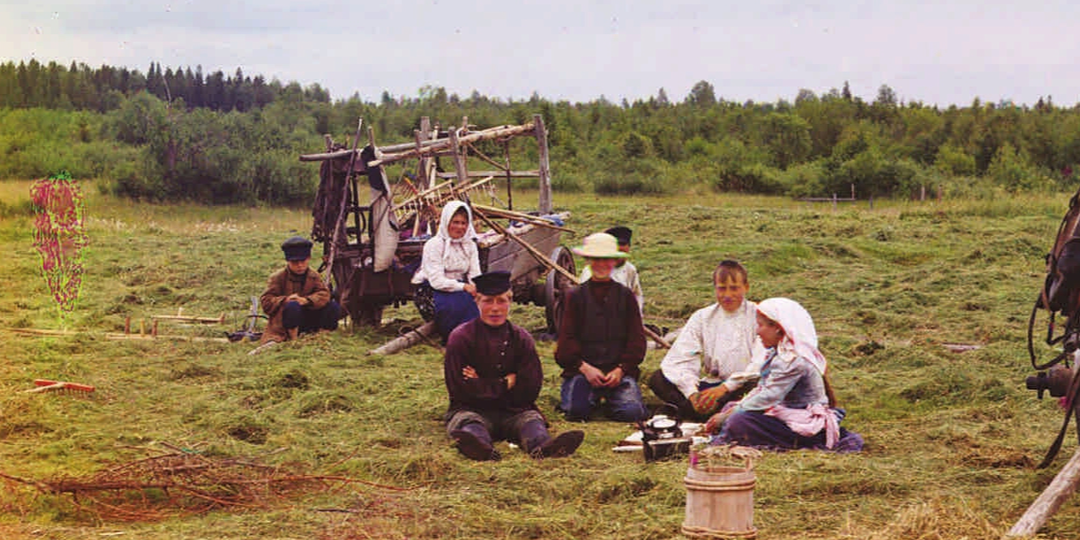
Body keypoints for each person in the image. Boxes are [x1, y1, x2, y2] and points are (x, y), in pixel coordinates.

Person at [444, 271, 585, 461]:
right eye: (488, 301)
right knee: (470, 425)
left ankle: (543, 447)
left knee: (531, 422)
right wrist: (505, 383)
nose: (495, 308)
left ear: (510, 302)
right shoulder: (461, 337)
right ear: (477, 302)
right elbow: (460, 389)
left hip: (514, 410)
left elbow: (529, 388)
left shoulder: (521, 338)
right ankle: (481, 449)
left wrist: (481, 382)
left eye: (501, 301)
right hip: (472, 409)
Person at [705, 297, 864, 453]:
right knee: (731, 408)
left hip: (802, 425)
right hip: (786, 413)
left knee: (738, 421)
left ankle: (733, 437)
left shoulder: (793, 361)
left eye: (760, 325)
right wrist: (731, 411)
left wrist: (729, 417)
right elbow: (762, 388)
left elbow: (769, 397)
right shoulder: (778, 354)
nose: (757, 331)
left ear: (778, 328)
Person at [647, 260, 763, 422]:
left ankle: (693, 413)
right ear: (715, 288)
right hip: (713, 384)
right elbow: (681, 357)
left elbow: (760, 363)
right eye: (722, 288)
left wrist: (725, 388)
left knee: (759, 385)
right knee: (659, 378)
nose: (728, 295)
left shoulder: (759, 315)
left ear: (746, 287)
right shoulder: (703, 317)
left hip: (741, 386)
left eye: (734, 288)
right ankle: (699, 410)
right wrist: (692, 393)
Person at [555, 232, 649, 422]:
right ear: (588, 260)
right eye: (596, 259)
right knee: (576, 412)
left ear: (614, 261)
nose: (601, 265)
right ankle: (589, 397)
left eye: (606, 260)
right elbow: (566, 342)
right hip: (583, 372)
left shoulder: (626, 296)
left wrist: (621, 369)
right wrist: (584, 367)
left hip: (617, 373)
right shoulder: (574, 296)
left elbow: (637, 340)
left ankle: (612, 399)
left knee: (632, 413)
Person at [411, 200, 482, 342]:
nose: (460, 227)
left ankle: (474, 338)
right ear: (446, 222)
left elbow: (475, 274)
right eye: (455, 222)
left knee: (478, 303)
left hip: (459, 287)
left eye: (463, 223)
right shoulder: (434, 245)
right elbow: (437, 281)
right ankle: (455, 339)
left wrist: (477, 289)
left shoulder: (469, 245)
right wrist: (465, 287)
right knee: (458, 304)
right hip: (430, 289)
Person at [259, 236, 341, 345]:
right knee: (293, 306)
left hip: (310, 318)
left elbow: (324, 294)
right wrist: (285, 300)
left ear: (309, 258)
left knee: (333, 306)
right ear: (288, 261)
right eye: (295, 262)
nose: (300, 265)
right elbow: (266, 302)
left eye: (303, 261)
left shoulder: (314, 275)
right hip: (285, 323)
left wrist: (307, 300)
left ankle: (323, 337)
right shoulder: (277, 277)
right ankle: (293, 339)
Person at [580, 226, 643, 315]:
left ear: (629, 247)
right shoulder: (591, 272)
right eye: (617, 245)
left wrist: (637, 316)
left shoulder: (630, 269)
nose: (620, 248)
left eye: (623, 244)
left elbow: (637, 294)